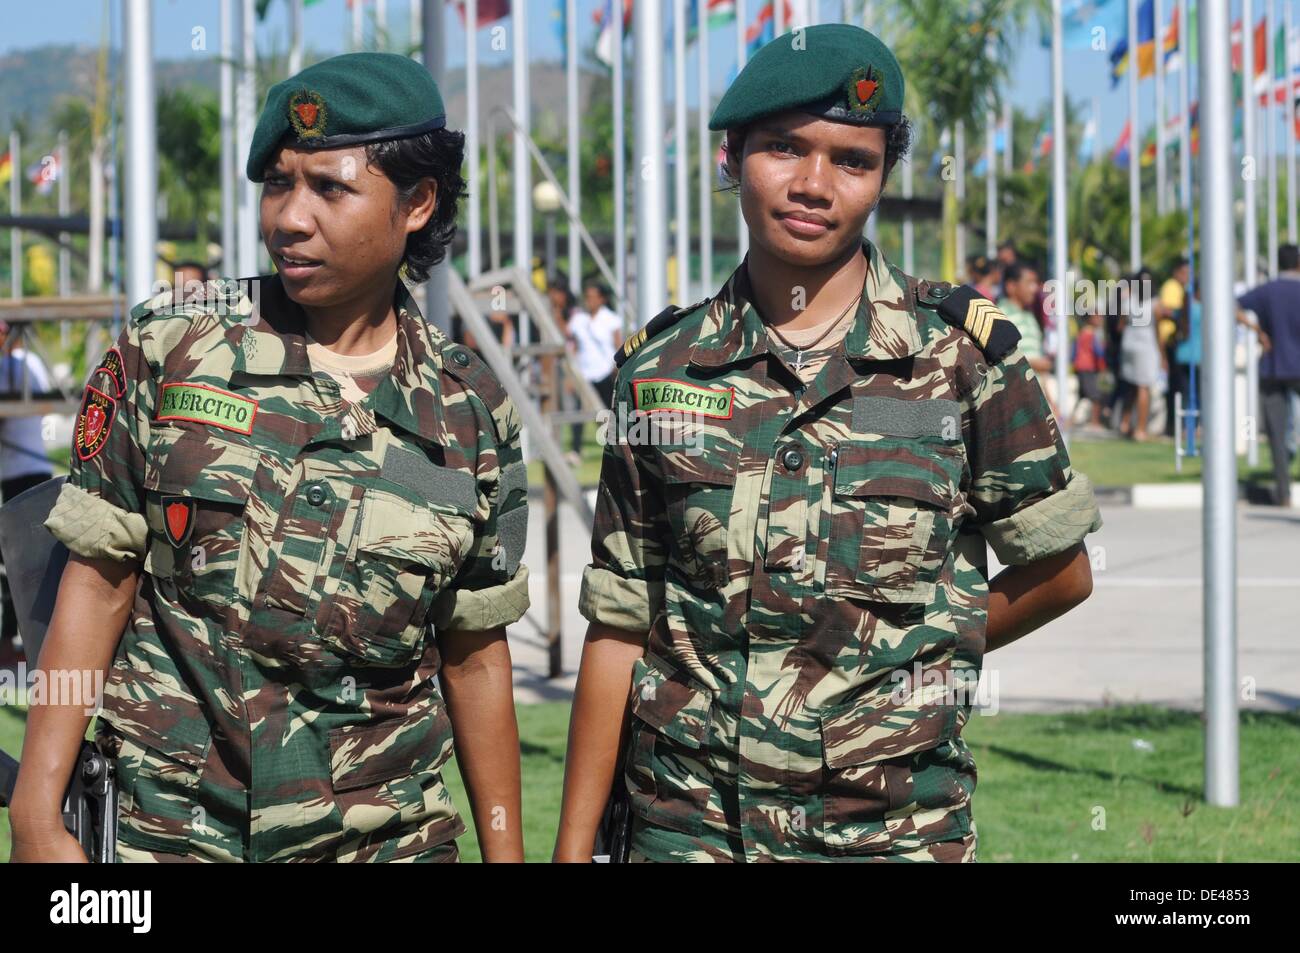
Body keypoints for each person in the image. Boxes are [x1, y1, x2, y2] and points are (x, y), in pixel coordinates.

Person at [553, 24, 1101, 864]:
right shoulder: (660, 374)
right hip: (687, 828)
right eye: (784, 148)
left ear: (882, 176)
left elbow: (1060, 570)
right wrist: (572, 847)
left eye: (853, 159)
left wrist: (916, 663)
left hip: (887, 829)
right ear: (730, 157)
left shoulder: (961, 362)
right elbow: (621, 620)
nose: (814, 183)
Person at [9, 52, 530, 863]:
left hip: (380, 841)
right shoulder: (175, 344)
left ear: (418, 202)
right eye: (278, 183)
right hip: (171, 835)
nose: (289, 217)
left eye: (329, 187)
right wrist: (38, 814)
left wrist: (508, 855)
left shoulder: (467, 413)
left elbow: (474, 652)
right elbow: (96, 579)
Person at [0, 320, 56, 666]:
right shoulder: (26, 363)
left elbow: (45, 405)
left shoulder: (28, 363)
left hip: (30, 474)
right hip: (12, 474)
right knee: (12, 565)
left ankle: (34, 645)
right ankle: (10, 641)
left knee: (34, 565)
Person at [1237, 244, 1300, 506]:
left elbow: (1231, 305)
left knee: (1275, 432)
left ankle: (1283, 493)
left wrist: (1258, 331)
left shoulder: (1268, 290)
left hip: (1273, 366)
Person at [566, 280, 622, 458]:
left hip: (605, 372)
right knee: (578, 413)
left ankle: (614, 448)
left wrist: (617, 369)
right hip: (584, 374)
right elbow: (572, 345)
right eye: (587, 297)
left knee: (608, 411)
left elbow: (618, 345)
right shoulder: (578, 319)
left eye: (592, 297)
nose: (588, 300)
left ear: (602, 299)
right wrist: (569, 373)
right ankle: (576, 450)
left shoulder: (611, 319)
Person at [1118, 268, 1162, 441]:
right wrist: (1162, 354)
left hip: (1129, 343)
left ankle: (1125, 423)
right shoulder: (1155, 303)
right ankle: (1140, 429)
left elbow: (1121, 325)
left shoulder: (1128, 300)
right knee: (1144, 387)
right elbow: (1158, 331)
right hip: (1146, 345)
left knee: (1130, 385)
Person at [1158, 258, 1190, 437]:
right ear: (1177, 272)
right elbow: (1166, 310)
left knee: (1176, 387)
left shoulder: (1180, 288)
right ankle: (1173, 427)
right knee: (1175, 388)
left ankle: (1174, 426)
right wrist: (1181, 315)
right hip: (1169, 343)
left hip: (1173, 342)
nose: (1188, 276)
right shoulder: (1172, 287)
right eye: (1185, 272)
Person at [1073, 310, 1108, 431]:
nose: (1100, 318)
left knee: (1081, 395)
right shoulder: (1090, 333)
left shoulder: (1082, 332)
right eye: (1097, 316)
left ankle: (1071, 420)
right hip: (1088, 367)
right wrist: (1103, 366)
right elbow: (1098, 352)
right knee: (1096, 395)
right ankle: (1095, 422)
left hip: (1080, 367)